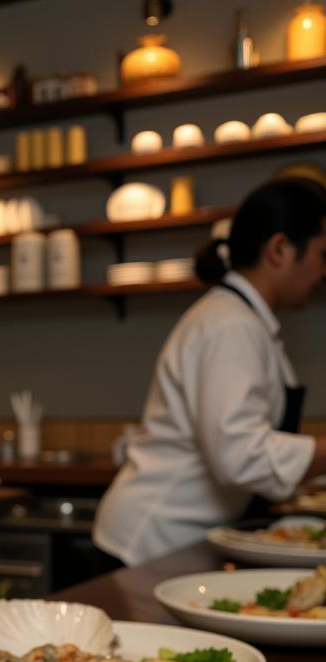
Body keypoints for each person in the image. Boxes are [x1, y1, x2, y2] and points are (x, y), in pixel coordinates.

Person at [94, 177, 326, 568]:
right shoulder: (231, 325)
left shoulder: (242, 320)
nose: (323, 272)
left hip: (175, 540)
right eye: (323, 254)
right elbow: (240, 455)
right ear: (280, 249)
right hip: (150, 542)